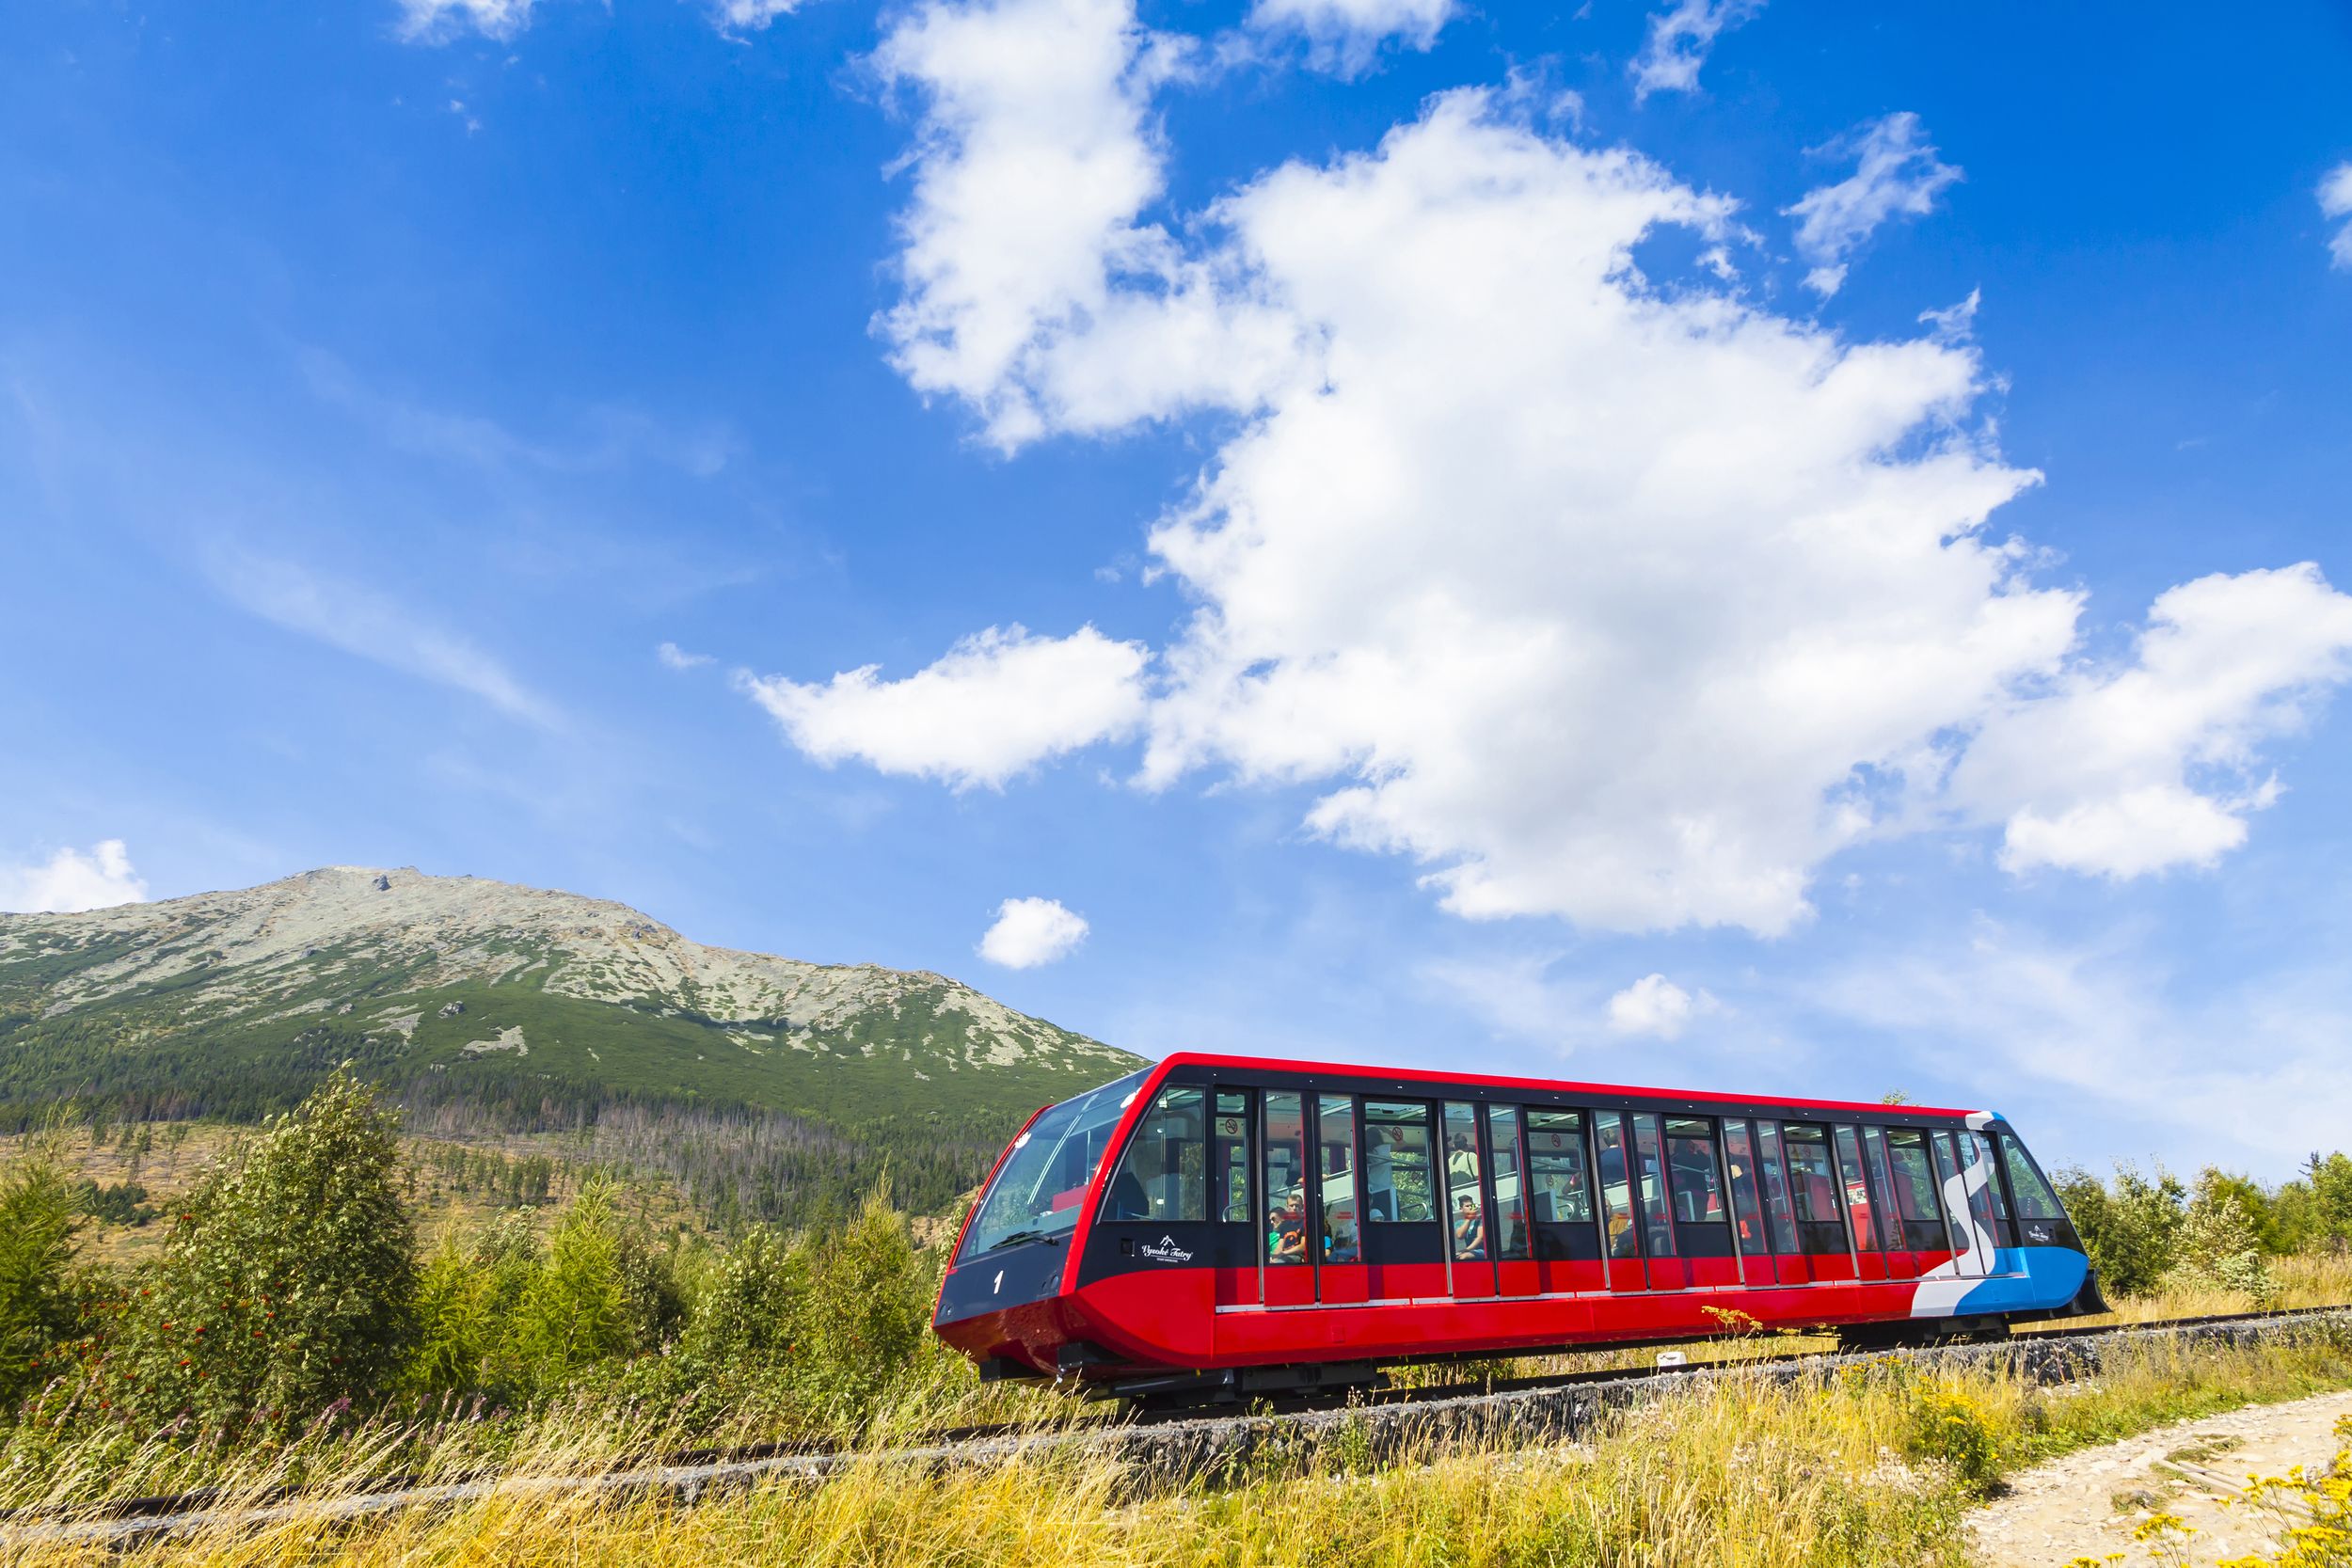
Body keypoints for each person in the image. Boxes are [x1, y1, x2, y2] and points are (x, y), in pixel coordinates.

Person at [1269, 1196, 1307, 1262]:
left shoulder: (1305, 1223)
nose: (1294, 1208)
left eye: (1297, 1205)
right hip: (1284, 1255)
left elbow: (1303, 1246)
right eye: (1291, 1205)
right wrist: (1273, 1258)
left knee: (1280, 1263)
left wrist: (1284, 1253)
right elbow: (1280, 1246)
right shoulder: (1285, 1224)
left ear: (1302, 1206)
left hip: (1298, 1256)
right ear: (1287, 1207)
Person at [1453, 1193, 1486, 1259]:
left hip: (1483, 1251)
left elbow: (1480, 1238)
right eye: (1467, 1206)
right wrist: (1469, 1218)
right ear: (1461, 1209)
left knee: (1464, 1257)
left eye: (1471, 1205)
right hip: (1469, 1251)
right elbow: (1460, 1236)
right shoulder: (1459, 1223)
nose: (1470, 1208)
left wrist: (1466, 1250)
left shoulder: (1481, 1219)